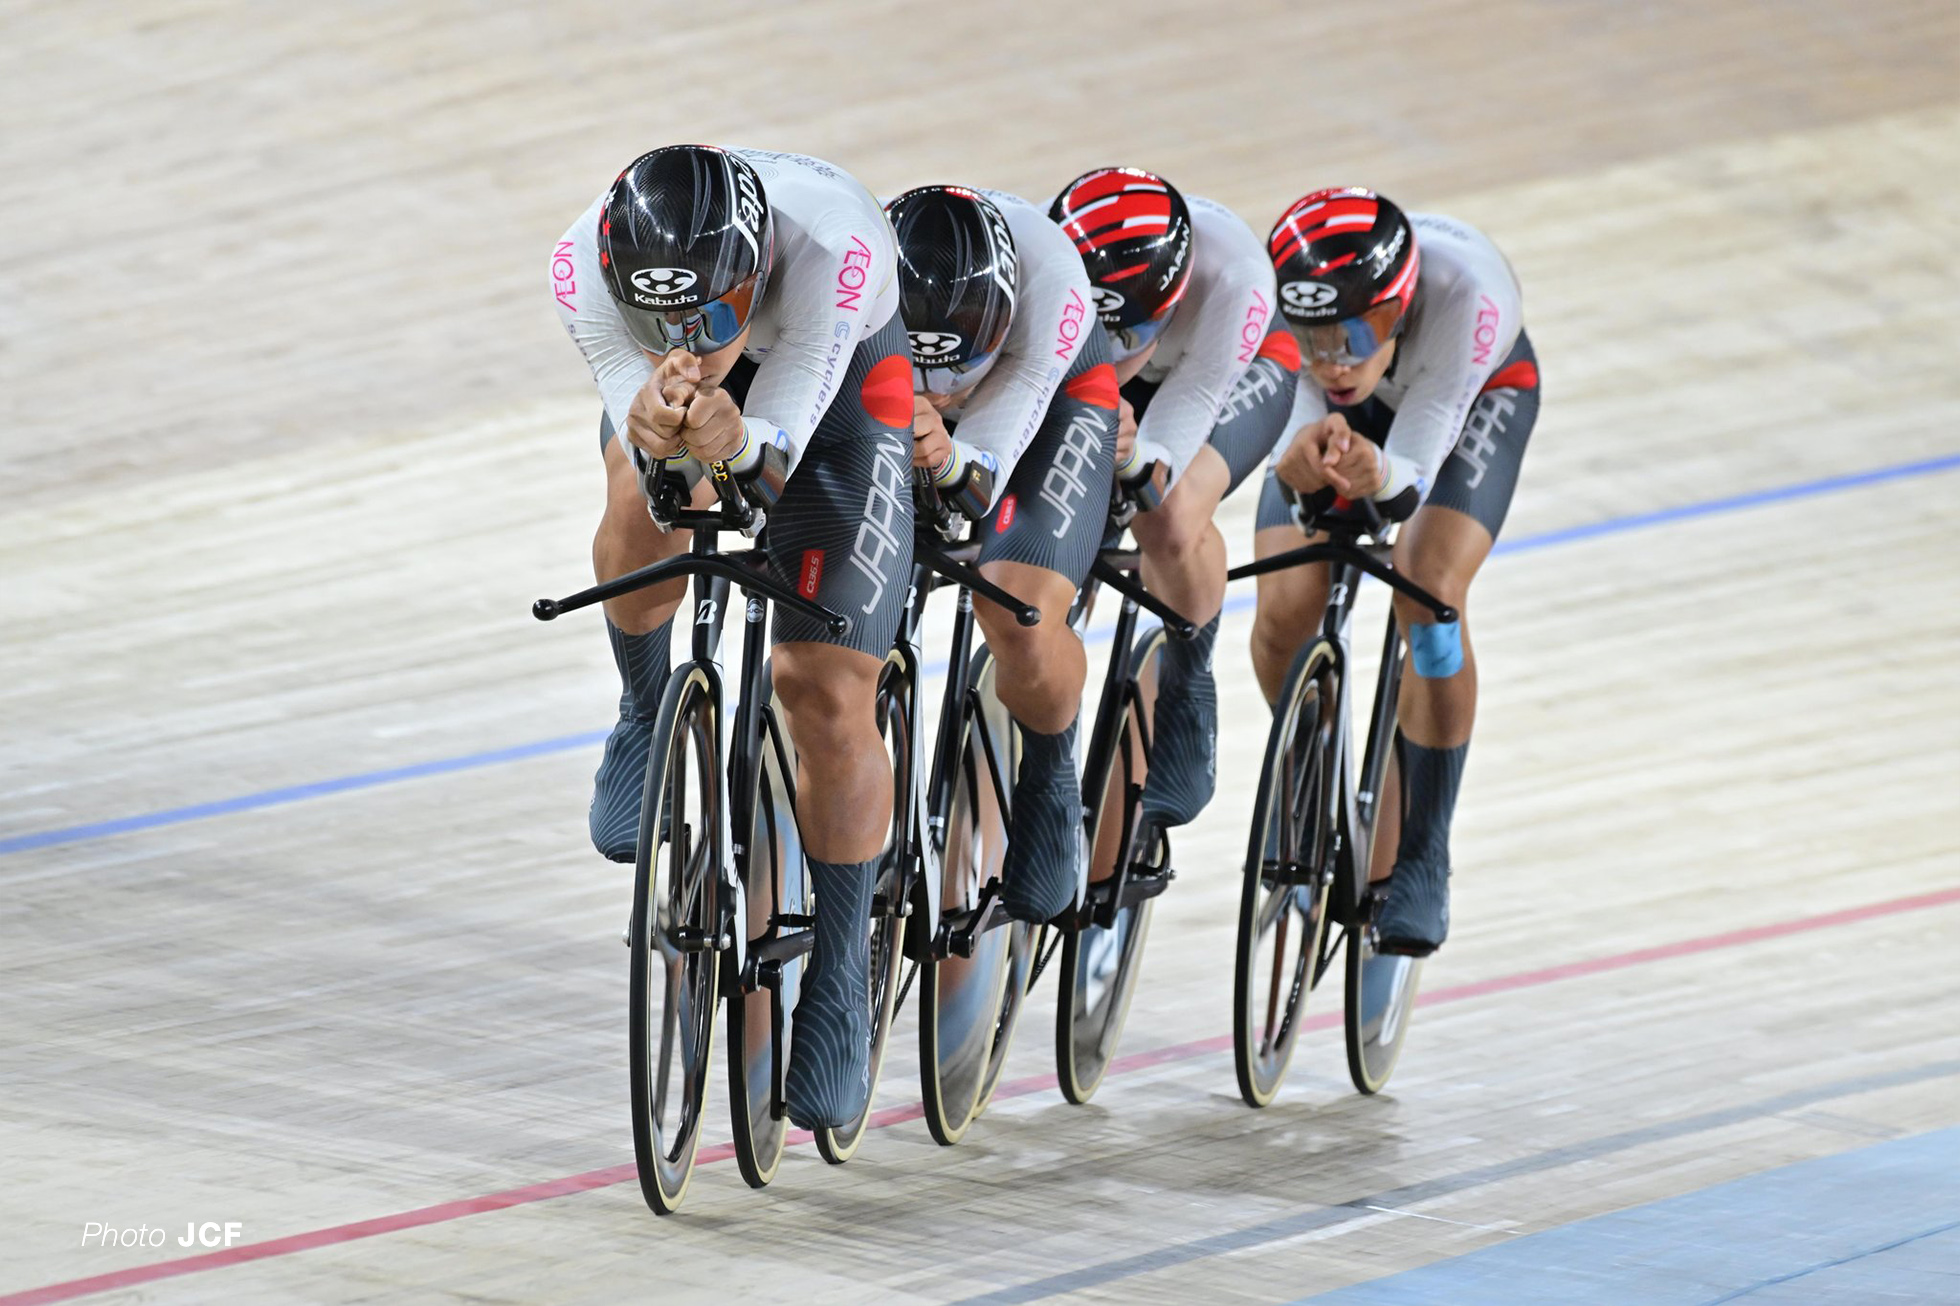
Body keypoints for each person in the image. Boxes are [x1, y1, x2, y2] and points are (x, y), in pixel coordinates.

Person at [550, 144, 915, 1128]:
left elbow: (766, 481)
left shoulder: (834, 252)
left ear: (751, 277)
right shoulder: (579, 261)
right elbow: (666, 464)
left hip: (838, 396)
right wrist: (669, 431)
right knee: (641, 495)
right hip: (701, 410)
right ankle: (641, 711)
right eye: (657, 321)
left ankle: (839, 976)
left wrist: (739, 441)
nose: (687, 343)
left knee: (824, 687)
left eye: (710, 319)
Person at [1251, 187, 1541, 955]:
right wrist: (1299, 464)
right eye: (1311, 336)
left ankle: (1423, 851)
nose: (1334, 359)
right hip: (1356, 421)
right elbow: (1281, 426)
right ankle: (1306, 773)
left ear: (1400, 308)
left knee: (1429, 590)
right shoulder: (1282, 315)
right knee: (1285, 598)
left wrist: (1373, 476)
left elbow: (1410, 474)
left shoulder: (1463, 300)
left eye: (1357, 334)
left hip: (1472, 398)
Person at [885, 184, 1118, 922]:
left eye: (956, 364)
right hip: (882, 384)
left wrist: (948, 458)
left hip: (1051, 400)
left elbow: (979, 483)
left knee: (1015, 606)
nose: (943, 385)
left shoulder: (1051, 297)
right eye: (928, 365)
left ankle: (1050, 773)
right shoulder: (856, 284)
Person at [1049, 167, 1300, 832]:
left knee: (1169, 512)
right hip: (1125, 383)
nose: (1110, 353)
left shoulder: (1233, 281)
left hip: (1235, 369)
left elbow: (1158, 464)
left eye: (1123, 335)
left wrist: (1130, 457)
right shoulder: (1050, 266)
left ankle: (1189, 681)